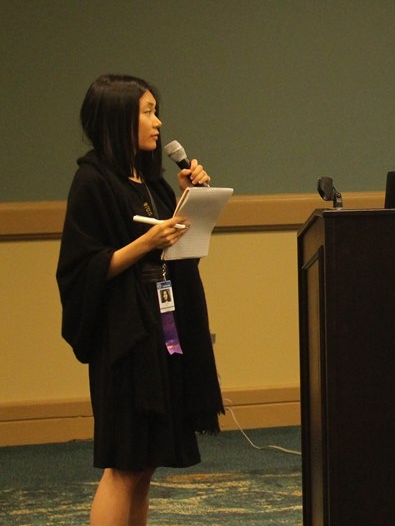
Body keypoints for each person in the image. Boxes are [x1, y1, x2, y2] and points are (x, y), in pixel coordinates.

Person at [56, 74, 224, 526]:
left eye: (155, 111)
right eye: (148, 112)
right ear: (118, 119)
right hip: (125, 338)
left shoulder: (152, 182)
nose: (158, 122)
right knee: (125, 465)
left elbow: (178, 254)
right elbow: (81, 269)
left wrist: (190, 199)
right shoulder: (92, 181)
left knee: (145, 465)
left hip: (162, 329)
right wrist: (146, 243)